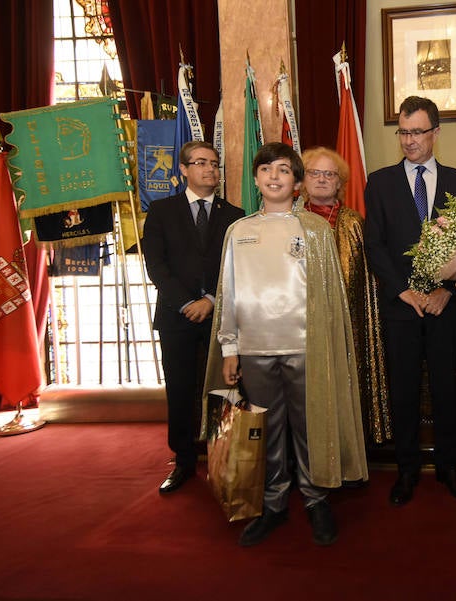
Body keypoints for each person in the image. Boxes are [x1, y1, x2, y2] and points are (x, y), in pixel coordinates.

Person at [204, 142, 368, 547]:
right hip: (256, 348)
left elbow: (329, 299)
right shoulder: (238, 231)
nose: (274, 176)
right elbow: (229, 292)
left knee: (310, 426)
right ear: (256, 178)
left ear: (297, 182)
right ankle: (274, 502)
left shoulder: (312, 229)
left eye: (284, 170)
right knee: (268, 430)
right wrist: (230, 348)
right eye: (266, 169)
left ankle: (315, 498)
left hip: (305, 346)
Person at [364, 95, 456, 506]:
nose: (410, 141)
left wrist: (447, 290)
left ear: (436, 132)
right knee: (404, 391)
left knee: (448, 390)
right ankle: (407, 470)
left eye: (418, 132)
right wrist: (403, 290)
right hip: (401, 308)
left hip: (446, 307)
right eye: (403, 132)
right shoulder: (380, 182)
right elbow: (374, 245)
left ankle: (449, 467)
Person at [142, 140, 244, 495]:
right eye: (200, 163)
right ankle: (183, 460)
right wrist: (188, 302)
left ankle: (224, 456)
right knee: (181, 390)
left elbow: (237, 268)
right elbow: (156, 266)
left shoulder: (235, 215)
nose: (210, 170)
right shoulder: (161, 211)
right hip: (176, 315)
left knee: (223, 387)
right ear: (183, 169)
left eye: (215, 164)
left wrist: (212, 301)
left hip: (221, 317)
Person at [300, 146, 392, 446]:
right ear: (303, 179)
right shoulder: (290, 221)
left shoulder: (355, 224)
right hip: (299, 331)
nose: (323, 180)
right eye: (316, 173)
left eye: (331, 174)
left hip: (347, 330)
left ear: (340, 183)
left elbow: (368, 285)